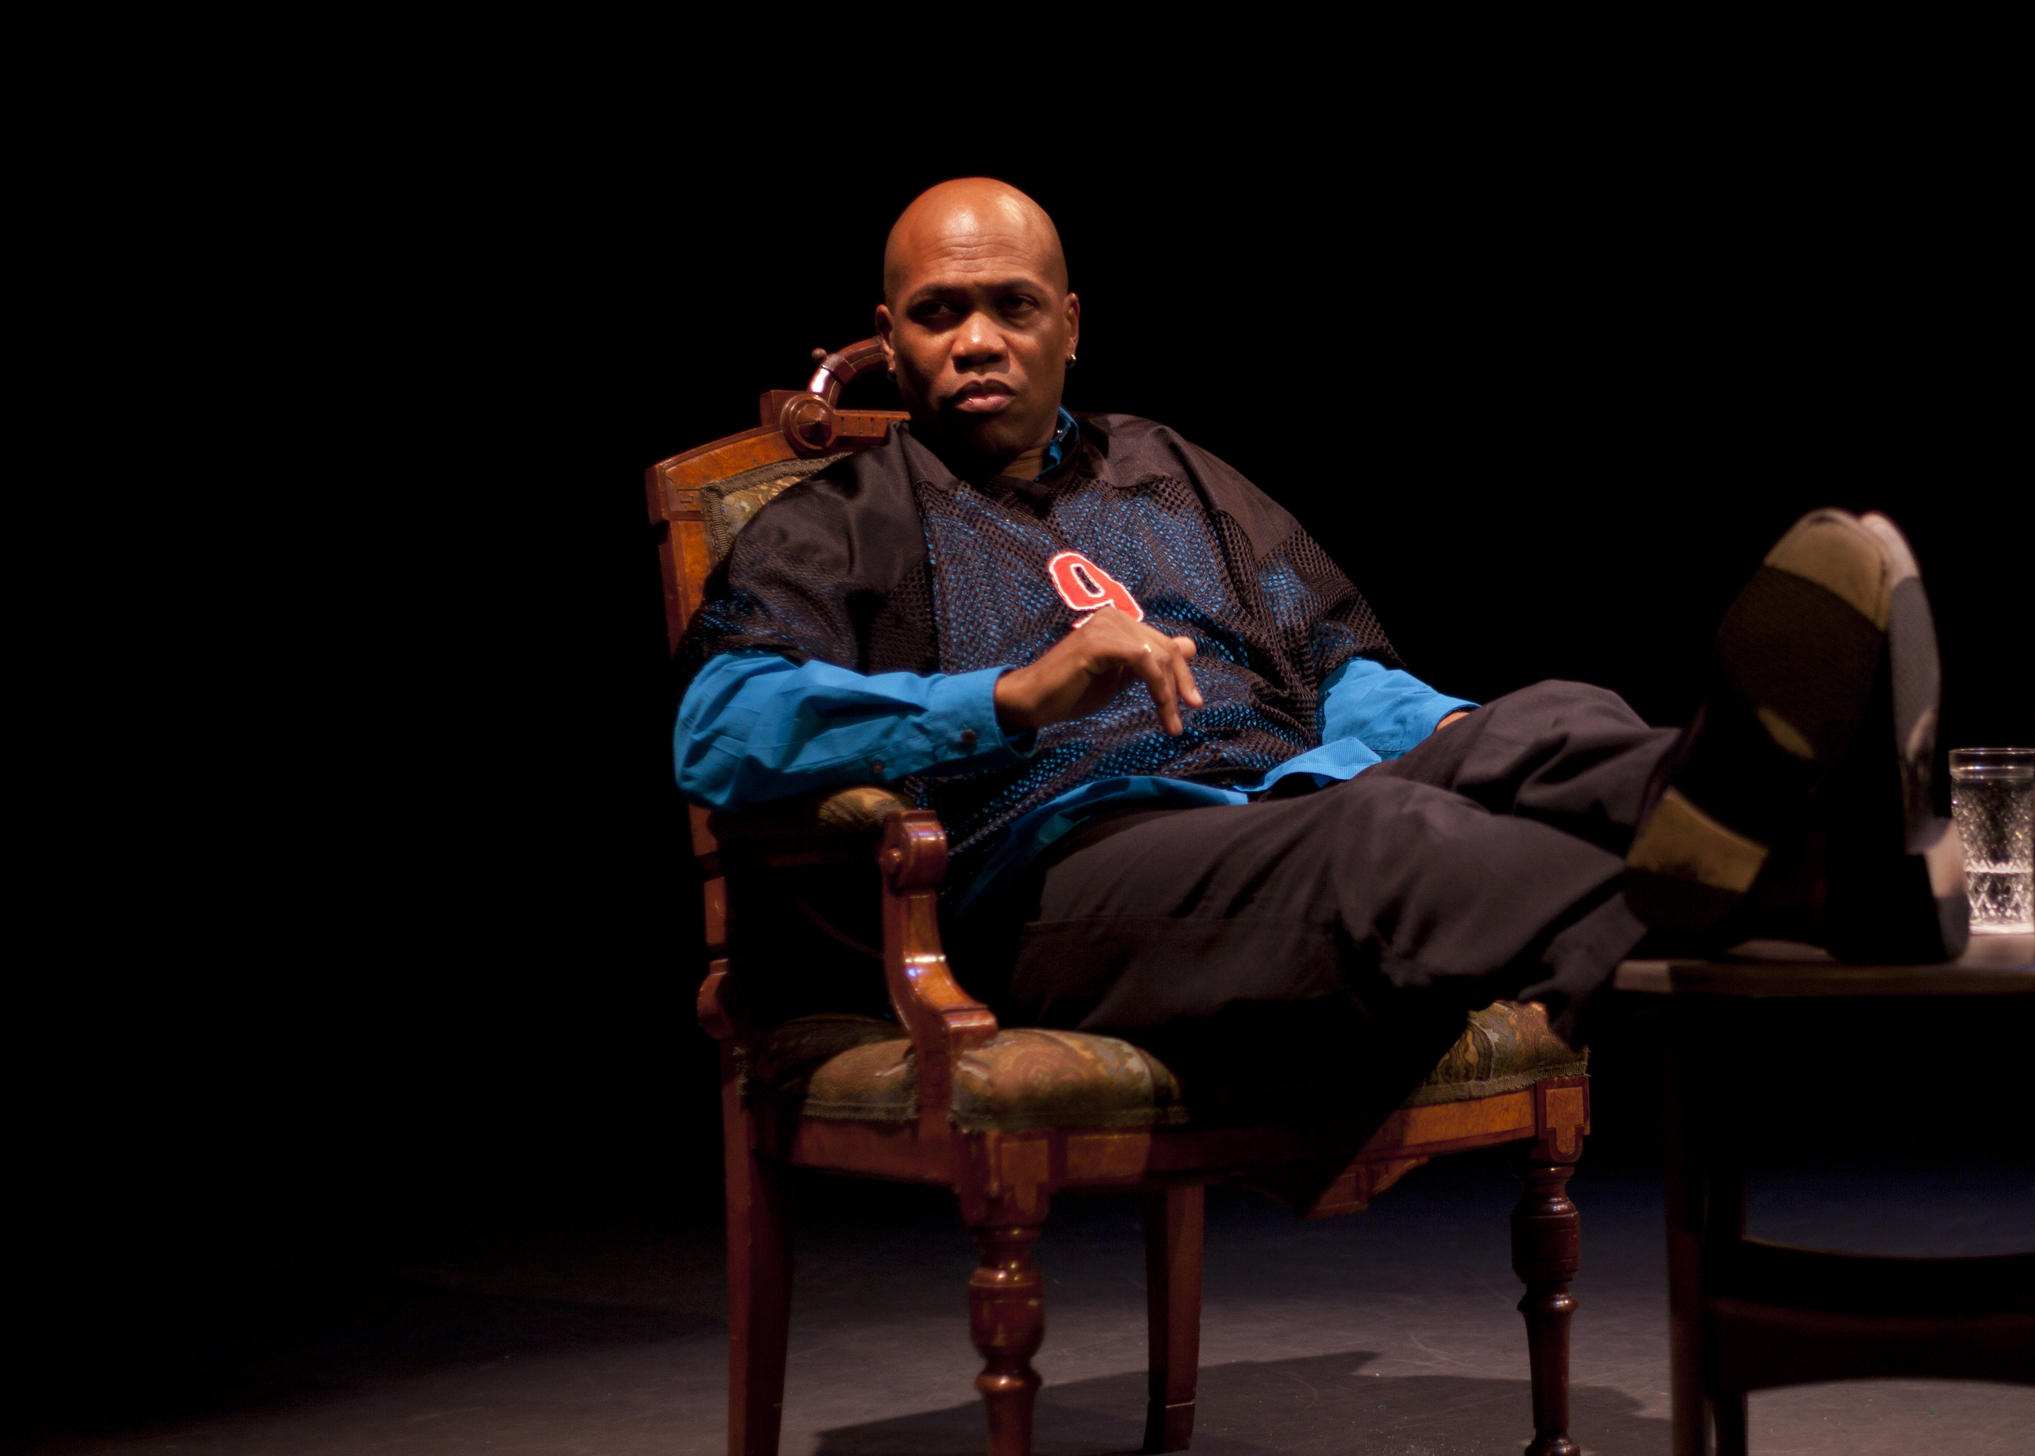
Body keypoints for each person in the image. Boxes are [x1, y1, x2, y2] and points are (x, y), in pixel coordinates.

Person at [675, 179, 1964, 1094]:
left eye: (1012, 305)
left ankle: (1768, 825)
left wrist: (1468, 736)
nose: (977, 341)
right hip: (1069, 874)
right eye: (938, 312)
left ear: (1073, 322)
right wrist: (1009, 696)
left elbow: (1340, 671)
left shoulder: (1174, 473)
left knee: (1543, 717)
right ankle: (1827, 876)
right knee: (1397, 837)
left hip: (1280, 799)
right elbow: (719, 732)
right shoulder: (837, 522)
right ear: (888, 340)